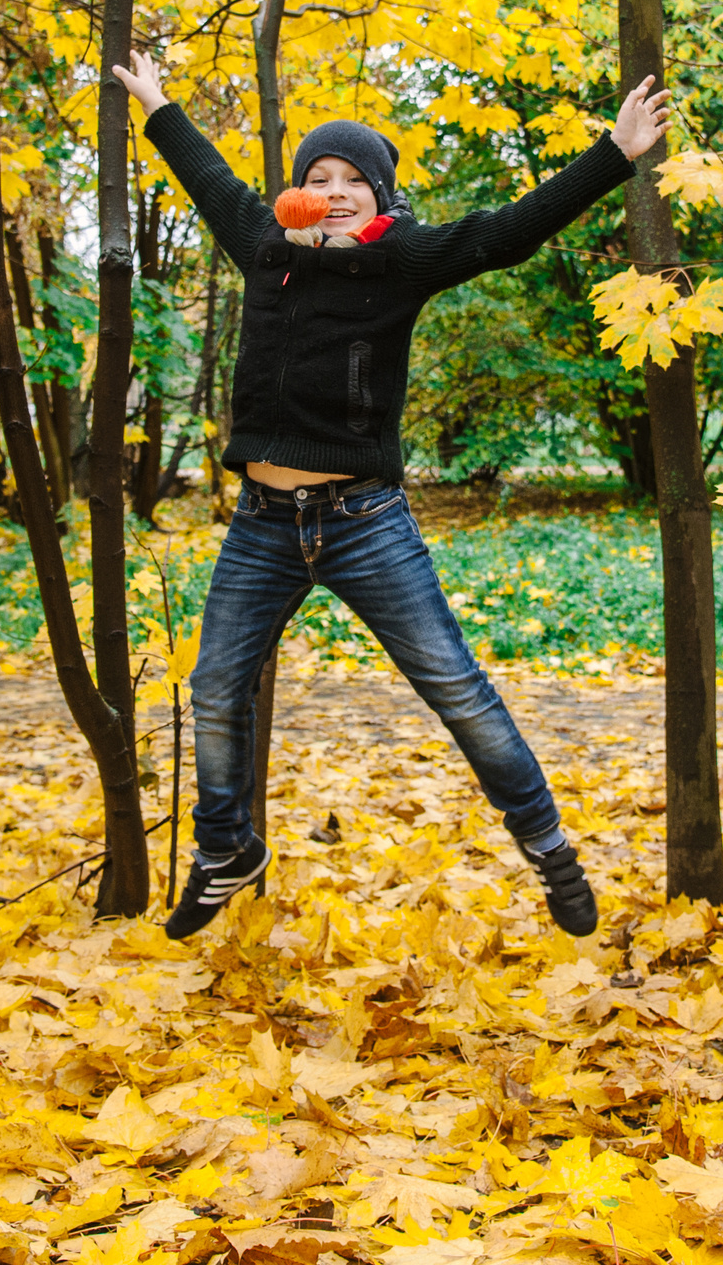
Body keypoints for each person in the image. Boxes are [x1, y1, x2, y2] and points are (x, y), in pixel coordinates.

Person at [109, 50, 672, 941]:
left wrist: (615, 154)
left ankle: (547, 844)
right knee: (214, 688)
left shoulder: (401, 259)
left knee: (457, 688)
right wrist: (158, 105)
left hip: (363, 520)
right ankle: (225, 849)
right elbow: (206, 176)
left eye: (353, 181)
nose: (333, 192)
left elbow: (505, 233)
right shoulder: (263, 245)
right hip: (261, 525)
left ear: (379, 196)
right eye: (317, 178)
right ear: (297, 192)